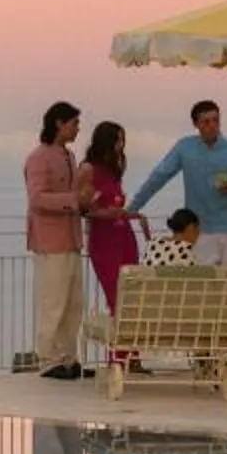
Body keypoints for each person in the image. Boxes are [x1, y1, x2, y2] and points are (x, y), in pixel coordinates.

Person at [129, 102, 227, 273]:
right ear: (196, 124)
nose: (212, 125)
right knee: (199, 289)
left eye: (216, 120)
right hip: (199, 232)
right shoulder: (185, 147)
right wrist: (133, 208)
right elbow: (159, 176)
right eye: (206, 122)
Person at [24, 102, 87, 380]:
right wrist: (73, 200)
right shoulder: (39, 158)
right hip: (51, 240)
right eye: (74, 123)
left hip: (71, 238)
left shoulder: (69, 156)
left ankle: (69, 357)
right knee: (54, 302)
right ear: (59, 124)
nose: (77, 129)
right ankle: (49, 359)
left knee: (73, 304)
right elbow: (37, 198)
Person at [78, 120, 144, 340]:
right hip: (103, 238)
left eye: (123, 140)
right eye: (117, 140)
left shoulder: (113, 170)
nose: (121, 145)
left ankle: (132, 354)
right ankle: (120, 356)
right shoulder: (88, 169)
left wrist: (129, 214)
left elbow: (115, 205)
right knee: (116, 295)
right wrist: (109, 213)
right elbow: (84, 208)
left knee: (133, 293)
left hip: (123, 234)